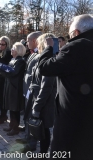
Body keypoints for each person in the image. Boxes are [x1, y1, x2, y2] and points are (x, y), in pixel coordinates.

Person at [38, 14, 93, 159]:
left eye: (70, 35)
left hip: (73, 119)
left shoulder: (76, 46)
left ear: (76, 32)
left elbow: (45, 68)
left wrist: (48, 48)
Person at [27, 33, 57, 156]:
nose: (38, 45)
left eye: (40, 43)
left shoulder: (49, 61)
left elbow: (46, 87)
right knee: (40, 129)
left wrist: (37, 106)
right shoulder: (42, 58)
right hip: (39, 98)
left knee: (44, 130)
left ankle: (43, 155)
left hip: (44, 102)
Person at [16, 31, 41, 153]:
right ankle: (27, 138)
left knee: (31, 117)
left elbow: (36, 76)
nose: (26, 42)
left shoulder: (41, 53)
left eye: (28, 40)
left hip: (33, 91)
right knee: (26, 117)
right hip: (27, 90)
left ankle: (31, 144)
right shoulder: (31, 53)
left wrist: (30, 90)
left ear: (35, 40)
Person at [0, 42, 26, 136]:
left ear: (18, 50)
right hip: (10, 86)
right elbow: (8, 70)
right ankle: (12, 125)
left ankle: (15, 128)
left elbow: (13, 73)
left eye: (13, 48)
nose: (11, 49)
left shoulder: (20, 61)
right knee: (11, 108)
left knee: (15, 109)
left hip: (15, 88)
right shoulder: (13, 59)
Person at [0, 36, 13, 124]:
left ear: (7, 44)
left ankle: (3, 115)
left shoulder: (8, 52)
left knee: (3, 98)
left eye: (3, 44)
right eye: (0, 44)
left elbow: (6, 64)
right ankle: (2, 115)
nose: (1, 46)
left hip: (4, 78)